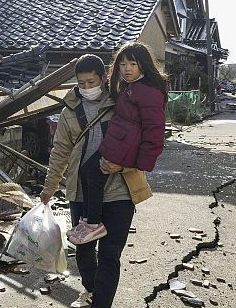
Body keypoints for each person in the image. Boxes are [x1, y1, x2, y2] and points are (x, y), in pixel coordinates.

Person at [39, 45, 159, 308]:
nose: (87, 88)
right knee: (83, 251)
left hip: (120, 191)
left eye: (92, 82)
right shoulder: (69, 111)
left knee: (109, 255)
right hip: (81, 191)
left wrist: (126, 162)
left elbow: (146, 133)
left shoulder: (123, 100)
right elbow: (60, 152)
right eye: (81, 84)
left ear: (104, 78)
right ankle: (93, 291)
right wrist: (49, 187)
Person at [67, 42, 168, 245]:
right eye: (122, 64)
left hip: (124, 150)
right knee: (87, 172)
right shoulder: (130, 87)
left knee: (93, 176)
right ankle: (88, 221)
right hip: (116, 144)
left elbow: (155, 132)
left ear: (144, 65)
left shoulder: (148, 92)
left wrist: (140, 163)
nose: (127, 68)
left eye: (132, 63)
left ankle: (94, 224)